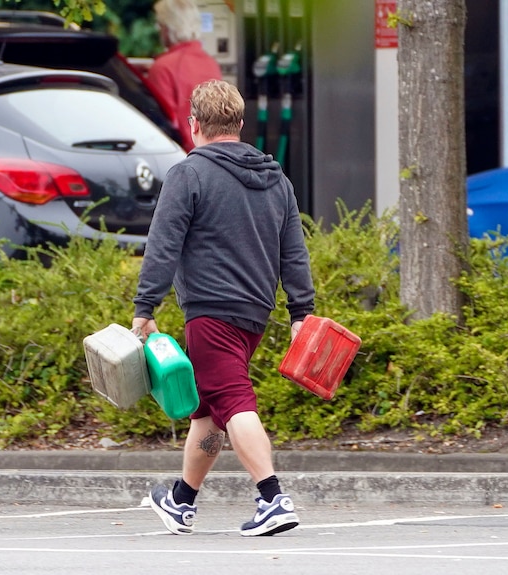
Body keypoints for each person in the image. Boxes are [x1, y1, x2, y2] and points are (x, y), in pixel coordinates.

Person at [132, 79, 315, 537]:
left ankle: (273, 498)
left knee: (232, 399)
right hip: (254, 313)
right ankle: (181, 500)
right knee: (208, 407)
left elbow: (163, 245)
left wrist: (145, 305)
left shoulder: (188, 174)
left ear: (194, 124)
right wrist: (300, 314)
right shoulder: (277, 180)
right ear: (239, 123)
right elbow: (294, 253)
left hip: (210, 312)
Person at [149, 0, 222, 152]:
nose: (158, 29)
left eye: (160, 24)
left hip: (182, 155)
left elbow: (162, 124)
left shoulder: (163, 67)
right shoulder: (211, 63)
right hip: (215, 154)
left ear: (169, 28)